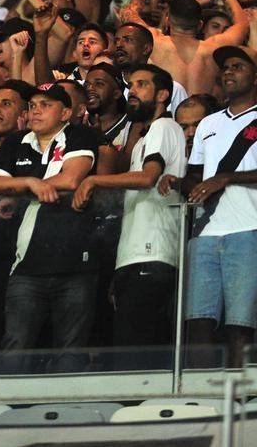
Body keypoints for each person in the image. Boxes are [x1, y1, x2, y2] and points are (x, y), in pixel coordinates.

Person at [177, 45, 257, 368]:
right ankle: (199, 400)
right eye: (225, 67)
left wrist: (225, 178)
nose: (228, 71)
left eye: (237, 67)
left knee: (240, 326)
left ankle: (237, 398)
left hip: (252, 229)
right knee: (197, 323)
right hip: (206, 232)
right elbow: (195, 175)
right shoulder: (207, 123)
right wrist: (182, 184)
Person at [0, 83, 101, 373]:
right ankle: (7, 409)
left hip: (76, 262)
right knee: (15, 343)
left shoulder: (79, 134)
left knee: (70, 348)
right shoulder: (16, 141)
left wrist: (21, 188)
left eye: (45, 105)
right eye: (33, 105)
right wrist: (29, 184)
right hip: (26, 264)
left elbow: (72, 179)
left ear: (65, 112)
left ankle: (68, 413)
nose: (36, 110)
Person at [73, 63, 186, 362]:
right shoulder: (146, 138)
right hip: (136, 256)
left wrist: (94, 179)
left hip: (152, 254)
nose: (131, 91)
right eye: (131, 85)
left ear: (162, 95)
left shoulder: (163, 127)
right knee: (132, 348)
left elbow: (148, 178)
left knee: (135, 354)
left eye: (141, 85)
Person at [121, 0, 248, 96]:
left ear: (167, 21)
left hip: (165, 115)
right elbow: (243, 24)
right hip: (203, 115)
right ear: (199, 25)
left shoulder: (155, 42)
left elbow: (127, 12)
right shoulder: (213, 48)